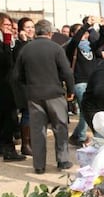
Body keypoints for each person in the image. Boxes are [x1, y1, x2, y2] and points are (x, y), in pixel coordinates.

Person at [14, 19, 75, 174]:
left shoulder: (26, 49)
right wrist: (70, 90)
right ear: (50, 33)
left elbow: (16, 76)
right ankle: (62, 161)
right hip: (54, 93)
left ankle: (39, 165)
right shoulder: (56, 48)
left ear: (36, 32)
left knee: (37, 131)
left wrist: (26, 89)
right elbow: (67, 72)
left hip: (34, 95)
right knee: (60, 127)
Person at [65, 16, 104, 148]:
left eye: (87, 32)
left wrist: (101, 26)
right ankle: (81, 136)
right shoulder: (72, 46)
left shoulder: (91, 47)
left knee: (88, 110)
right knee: (86, 110)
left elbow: (102, 40)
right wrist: (85, 25)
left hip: (92, 83)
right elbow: (76, 40)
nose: (85, 34)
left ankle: (76, 136)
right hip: (80, 83)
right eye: (81, 32)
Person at [0, 12, 26, 161]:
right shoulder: (4, 42)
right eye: (6, 25)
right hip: (4, 87)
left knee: (8, 118)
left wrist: (18, 42)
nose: (9, 28)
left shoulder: (12, 43)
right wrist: (6, 42)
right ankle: (8, 150)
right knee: (9, 119)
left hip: (9, 86)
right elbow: (6, 63)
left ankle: (6, 147)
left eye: (10, 25)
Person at [12, 17, 36, 156]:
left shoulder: (34, 42)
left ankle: (32, 143)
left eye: (32, 27)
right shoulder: (19, 44)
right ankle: (25, 145)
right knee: (27, 113)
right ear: (21, 29)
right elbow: (22, 59)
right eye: (27, 27)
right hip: (23, 85)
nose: (30, 30)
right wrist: (24, 41)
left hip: (35, 83)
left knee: (33, 114)